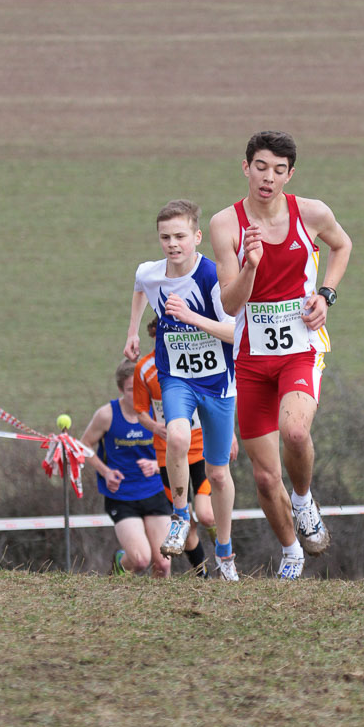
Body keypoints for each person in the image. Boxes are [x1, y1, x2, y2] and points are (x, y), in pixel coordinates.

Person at [209, 130, 352, 579]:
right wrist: (250, 265)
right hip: (251, 358)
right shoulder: (225, 225)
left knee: (294, 431)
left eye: (278, 170)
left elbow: (342, 245)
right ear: (246, 168)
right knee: (265, 478)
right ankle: (292, 553)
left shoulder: (311, 213)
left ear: (290, 174)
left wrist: (326, 294)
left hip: (300, 349)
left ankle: (304, 500)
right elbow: (230, 305)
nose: (267, 178)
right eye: (260, 167)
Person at [123, 199, 239, 582]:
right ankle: (178, 515)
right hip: (176, 375)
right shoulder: (150, 272)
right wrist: (132, 332)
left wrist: (191, 317)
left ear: (197, 237)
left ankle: (225, 551)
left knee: (218, 474)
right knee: (175, 435)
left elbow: (235, 333)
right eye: (165, 237)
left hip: (218, 381)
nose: (172, 244)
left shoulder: (213, 276)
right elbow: (140, 287)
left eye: (180, 236)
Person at [134, 318, 238, 578]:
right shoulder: (145, 369)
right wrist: (155, 426)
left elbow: (219, 402)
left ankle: (223, 551)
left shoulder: (199, 354)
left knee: (205, 514)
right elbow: (140, 411)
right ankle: (202, 575)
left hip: (200, 447)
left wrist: (231, 435)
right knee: (187, 524)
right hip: (168, 454)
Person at [79, 359, 172, 578]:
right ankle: (120, 563)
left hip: (156, 492)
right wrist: (105, 472)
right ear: (121, 389)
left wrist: (158, 466)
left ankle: (161, 600)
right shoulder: (107, 415)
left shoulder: (160, 412)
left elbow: (182, 448)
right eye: (131, 389)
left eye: (142, 388)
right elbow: (83, 445)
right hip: (121, 496)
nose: (138, 394)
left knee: (163, 564)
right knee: (140, 560)